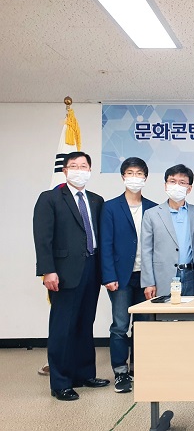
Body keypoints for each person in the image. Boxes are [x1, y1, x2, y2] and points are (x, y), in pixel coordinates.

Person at [33, 151, 109, 401]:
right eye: (73, 166)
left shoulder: (96, 200)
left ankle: (84, 374)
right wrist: (47, 270)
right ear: (65, 171)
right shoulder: (50, 198)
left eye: (83, 166)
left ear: (90, 170)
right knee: (63, 327)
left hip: (92, 268)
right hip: (63, 272)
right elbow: (43, 238)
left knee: (85, 323)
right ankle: (61, 382)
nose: (79, 170)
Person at [100, 157, 157, 393]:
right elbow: (105, 244)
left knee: (144, 325)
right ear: (123, 177)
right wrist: (108, 276)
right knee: (120, 325)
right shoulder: (110, 207)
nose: (135, 177)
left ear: (146, 178)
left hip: (146, 277)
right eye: (130, 173)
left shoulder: (154, 207)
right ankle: (121, 372)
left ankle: (140, 368)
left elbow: (157, 245)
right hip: (120, 277)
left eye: (139, 173)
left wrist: (154, 278)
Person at [141, 164, 194, 298]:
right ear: (165, 185)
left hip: (192, 275)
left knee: (191, 311)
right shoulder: (152, 214)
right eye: (172, 181)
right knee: (165, 311)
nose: (177, 186)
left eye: (182, 182)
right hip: (163, 277)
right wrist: (148, 282)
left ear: (189, 188)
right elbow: (146, 251)